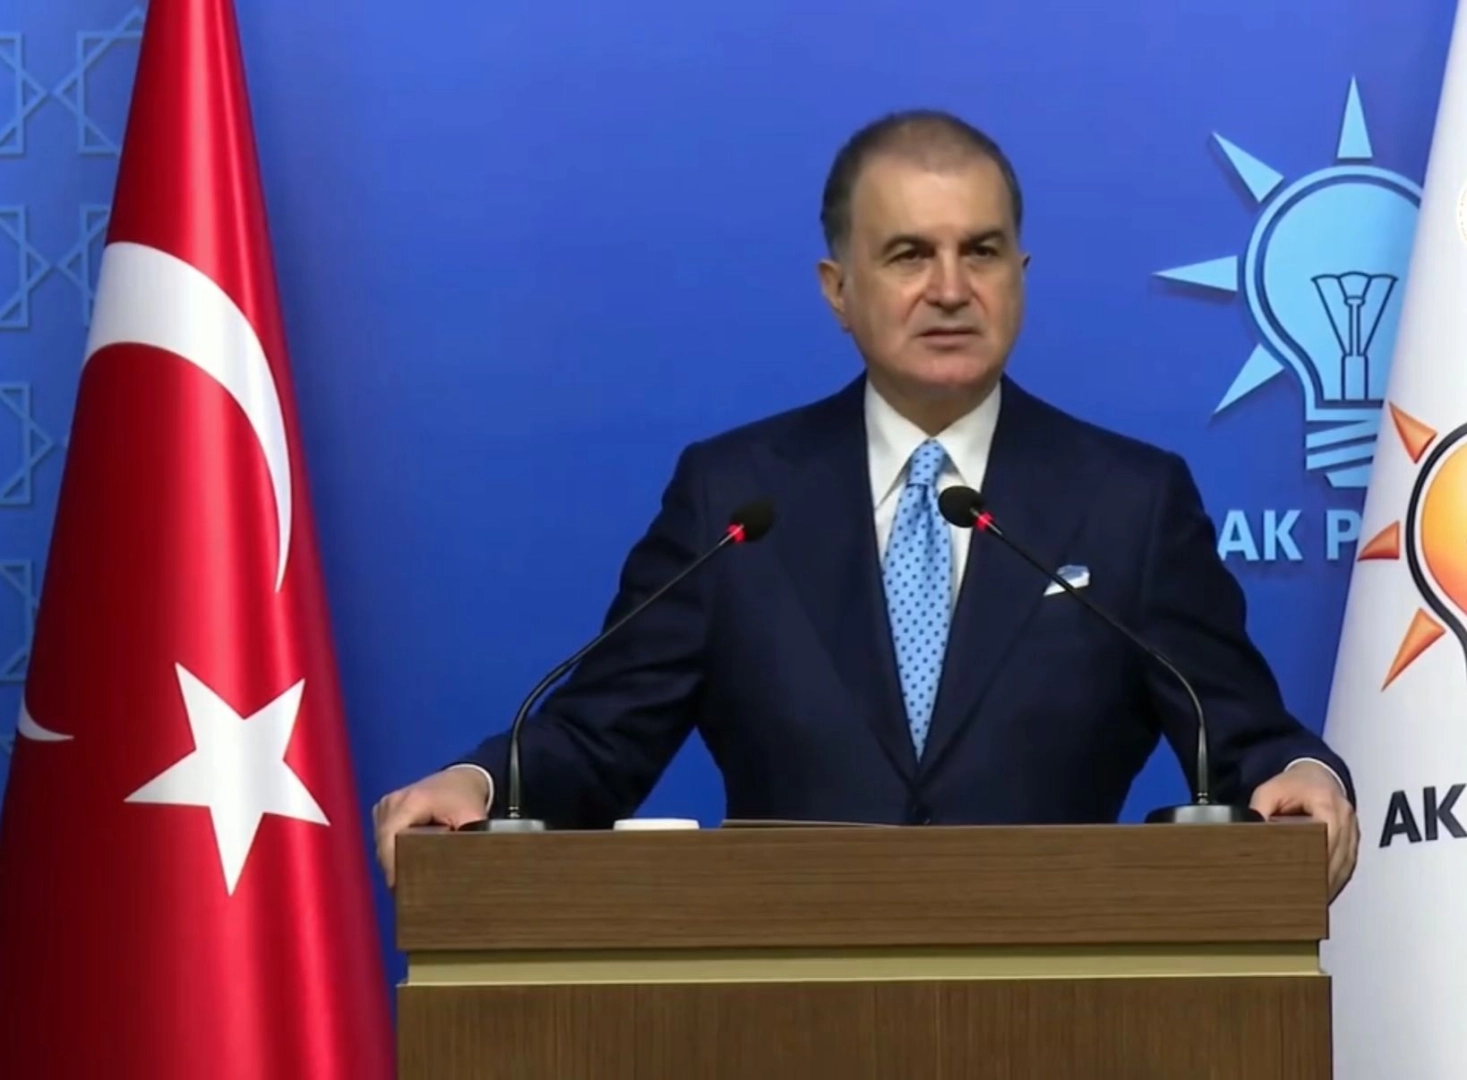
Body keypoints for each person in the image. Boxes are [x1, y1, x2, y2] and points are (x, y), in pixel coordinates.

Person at [373, 109, 1360, 897]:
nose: (949, 288)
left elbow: (1239, 736)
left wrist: (1303, 778)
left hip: (1056, 996)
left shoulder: (1131, 502)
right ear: (837, 289)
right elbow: (598, 737)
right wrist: (481, 782)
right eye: (907, 255)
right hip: (784, 999)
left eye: (981, 251)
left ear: (1020, 278)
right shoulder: (734, 498)